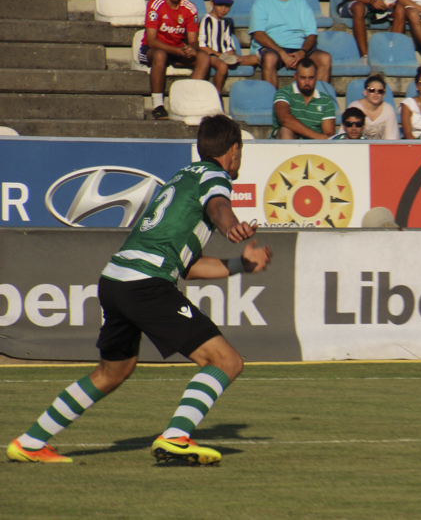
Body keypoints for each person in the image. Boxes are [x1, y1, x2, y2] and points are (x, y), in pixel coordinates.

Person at [6, 115, 272, 465]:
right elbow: (219, 207)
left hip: (115, 281)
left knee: (111, 372)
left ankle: (29, 442)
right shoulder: (214, 176)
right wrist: (232, 226)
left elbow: (189, 268)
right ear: (234, 150)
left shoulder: (182, 179)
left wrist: (241, 264)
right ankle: (176, 438)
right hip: (145, 283)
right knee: (226, 361)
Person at [141, 0, 210, 120]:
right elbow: (151, 41)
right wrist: (178, 50)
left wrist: (191, 49)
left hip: (176, 50)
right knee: (160, 55)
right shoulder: (155, 4)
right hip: (152, 50)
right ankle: (158, 105)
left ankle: (190, 101)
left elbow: (193, 41)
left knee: (204, 58)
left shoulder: (189, 8)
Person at [248, 0, 332, 89]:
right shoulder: (261, 2)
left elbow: (312, 34)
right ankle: (272, 102)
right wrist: (282, 53)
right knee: (270, 58)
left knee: (324, 58)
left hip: (299, 47)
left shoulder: (301, 2)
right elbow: (258, 34)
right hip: (273, 48)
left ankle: (319, 102)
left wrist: (303, 52)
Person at [198, 0, 259, 94]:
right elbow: (202, 46)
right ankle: (216, 96)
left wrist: (234, 56)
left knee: (254, 59)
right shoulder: (206, 20)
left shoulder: (225, 23)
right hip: (211, 55)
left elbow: (228, 45)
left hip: (225, 56)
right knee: (222, 66)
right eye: (220, 5)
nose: (223, 9)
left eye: (227, 6)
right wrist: (219, 55)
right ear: (212, 3)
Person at [272, 58, 336, 140]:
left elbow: (329, 135)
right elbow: (284, 119)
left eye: (311, 78)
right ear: (295, 76)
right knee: (286, 130)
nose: (307, 82)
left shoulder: (326, 101)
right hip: (286, 143)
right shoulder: (283, 93)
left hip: (314, 146)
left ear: (316, 77)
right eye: (303, 78)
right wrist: (316, 136)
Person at [339, 0, 399, 64]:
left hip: (376, 4)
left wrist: (391, 2)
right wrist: (371, 1)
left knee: (399, 10)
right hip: (354, 4)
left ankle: (392, 54)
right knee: (359, 7)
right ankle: (365, 56)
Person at [346, 74, 400, 140]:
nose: (376, 93)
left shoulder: (389, 109)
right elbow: (344, 135)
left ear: (383, 95)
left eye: (380, 91)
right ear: (365, 92)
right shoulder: (354, 107)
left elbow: (392, 139)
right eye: (372, 90)